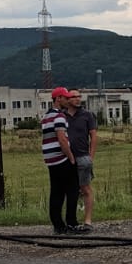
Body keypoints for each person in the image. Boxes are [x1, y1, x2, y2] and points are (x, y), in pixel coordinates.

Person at [40, 86, 80, 235]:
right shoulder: (59, 116)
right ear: (58, 99)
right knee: (72, 190)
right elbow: (62, 139)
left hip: (50, 159)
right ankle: (71, 223)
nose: (68, 100)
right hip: (61, 157)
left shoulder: (46, 116)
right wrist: (71, 158)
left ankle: (58, 224)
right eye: (66, 98)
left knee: (56, 191)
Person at [65, 90, 98, 231]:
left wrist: (91, 156)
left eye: (79, 96)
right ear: (67, 99)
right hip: (66, 158)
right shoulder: (62, 116)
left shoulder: (87, 115)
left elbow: (94, 136)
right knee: (70, 190)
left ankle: (88, 221)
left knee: (85, 188)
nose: (78, 99)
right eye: (74, 97)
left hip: (82, 156)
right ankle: (71, 221)